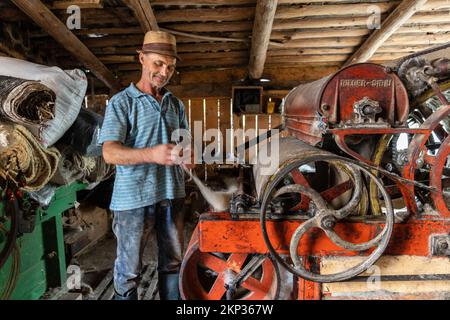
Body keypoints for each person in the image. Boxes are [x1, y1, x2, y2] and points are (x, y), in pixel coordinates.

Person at [98, 31, 192, 300]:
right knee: (129, 269)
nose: (164, 72)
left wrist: (190, 155)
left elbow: (185, 143)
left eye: (170, 67)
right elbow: (110, 153)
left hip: (172, 195)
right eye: (158, 64)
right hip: (132, 200)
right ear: (142, 58)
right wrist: (151, 154)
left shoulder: (175, 104)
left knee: (173, 263)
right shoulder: (122, 103)